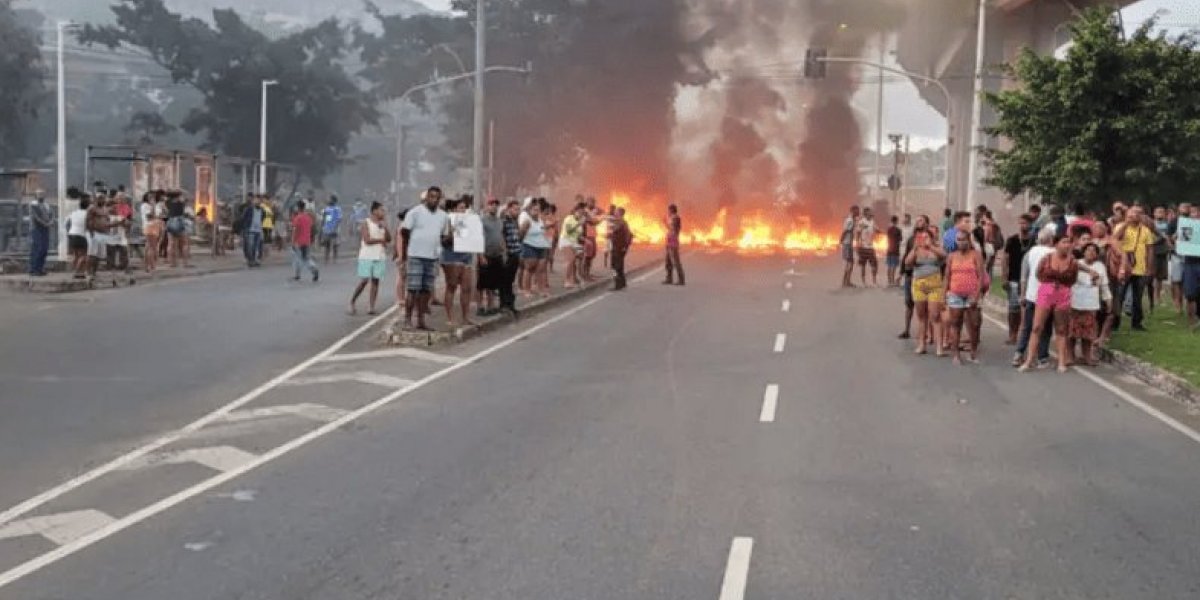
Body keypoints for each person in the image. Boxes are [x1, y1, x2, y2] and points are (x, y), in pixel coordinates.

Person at [1021, 234, 1093, 374]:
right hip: (1046, 292)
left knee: (1061, 329)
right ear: (1056, 244)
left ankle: (1061, 361)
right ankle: (1028, 360)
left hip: (1063, 293)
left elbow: (1073, 277)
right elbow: (1038, 274)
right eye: (1064, 242)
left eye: (1069, 242)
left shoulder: (1072, 262)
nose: (1067, 245)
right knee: (1036, 327)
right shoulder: (1046, 258)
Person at [401, 187, 448, 330]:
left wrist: (448, 239)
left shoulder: (443, 216)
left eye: (437, 198)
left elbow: (443, 236)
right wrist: (406, 253)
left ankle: (421, 320)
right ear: (426, 198)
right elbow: (405, 231)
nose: (434, 200)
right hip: (416, 255)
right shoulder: (415, 212)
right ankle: (408, 319)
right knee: (412, 289)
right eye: (431, 197)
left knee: (425, 291)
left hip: (432, 257)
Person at [1014, 227, 1057, 368]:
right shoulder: (1054, 253)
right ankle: (1042, 357)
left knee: (1027, 326)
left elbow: (1023, 276)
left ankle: (1019, 353)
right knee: (1046, 327)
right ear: (1051, 239)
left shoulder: (1030, 253)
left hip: (1032, 294)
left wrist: (1022, 294)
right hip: (1048, 295)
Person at [944, 229, 987, 365]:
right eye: (958, 240)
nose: (961, 242)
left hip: (972, 294)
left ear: (969, 241)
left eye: (963, 239)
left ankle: (973, 351)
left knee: (974, 324)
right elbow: (947, 276)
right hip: (955, 293)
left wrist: (977, 295)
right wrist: (943, 294)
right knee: (955, 323)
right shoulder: (951, 256)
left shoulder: (976, 255)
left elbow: (981, 276)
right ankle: (956, 354)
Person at [904, 224, 946, 356]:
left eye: (926, 236)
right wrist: (915, 248)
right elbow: (907, 262)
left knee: (935, 315)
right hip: (919, 285)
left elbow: (943, 256)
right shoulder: (916, 249)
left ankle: (939, 347)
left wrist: (931, 247)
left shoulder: (936, 248)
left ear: (932, 238)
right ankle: (922, 344)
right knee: (922, 316)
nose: (924, 239)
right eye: (921, 236)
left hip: (934, 285)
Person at [1112, 206, 1155, 332]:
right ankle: (1115, 322)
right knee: (1120, 295)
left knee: (1138, 297)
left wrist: (1149, 267)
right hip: (1124, 267)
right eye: (1132, 214)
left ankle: (1137, 322)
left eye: (1137, 214)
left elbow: (1150, 249)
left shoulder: (1145, 230)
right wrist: (1126, 223)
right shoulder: (1121, 226)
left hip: (1140, 267)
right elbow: (1115, 238)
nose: (1135, 217)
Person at [1070, 242, 1110, 367]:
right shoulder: (1077, 263)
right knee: (1073, 331)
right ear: (1084, 252)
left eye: (1094, 251)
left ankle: (1087, 356)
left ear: (1097, 254)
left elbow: (1104, 286)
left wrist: (1108, 300)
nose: (1091, 252)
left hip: (1091, 303)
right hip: (1075, 302)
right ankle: (1070, 356)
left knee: (1088, 333)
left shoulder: (1100, 266)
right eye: (1088, 250)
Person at [440, 197, 477, 327]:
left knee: (467, 287)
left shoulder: (468, 221)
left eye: (464, 208)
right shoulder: (448, 220)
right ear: (455, 209)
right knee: (452, 286)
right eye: (460, 208)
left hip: (465, 256)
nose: (463, 210)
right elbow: (443, 241)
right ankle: (449, 318)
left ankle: (465, 317)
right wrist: (453, 234)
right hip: (451, 256)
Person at [350, 201, 391, 316]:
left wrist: (385, 228)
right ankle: (352, 301)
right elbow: (367, 240)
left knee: (375, 281)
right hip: (367, 255)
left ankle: (371, 306)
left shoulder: (383, 224)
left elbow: (389, 239)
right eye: (381, 210)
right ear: (374, 211)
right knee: (364, 280)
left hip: (379, 255)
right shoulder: (366, 223)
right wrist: (380, 240)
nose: (383, 212)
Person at [1001, 214, 1035, 344]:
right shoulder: (1012, 240)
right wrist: (1004, 277)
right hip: (1014, 278)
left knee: (1027, 309)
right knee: (1013, 308)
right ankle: (1012, 334)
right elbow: (1005, 258)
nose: (1023, 226)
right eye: (1021, 223)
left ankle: (1024, 333)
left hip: (1030, 280)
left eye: (1025, 223)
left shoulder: (1035, 241)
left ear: (1031, 224)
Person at [897, 215, 928, 340]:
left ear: (926, 224)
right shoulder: (911, 239)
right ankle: (906, 330)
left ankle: (925, 333)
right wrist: (901, 272)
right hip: (910, 274)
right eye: (917, 220)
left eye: (921, 220)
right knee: (909, 303)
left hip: (922, 274)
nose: (917, 222)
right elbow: (906, 256)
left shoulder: (929, 239)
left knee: (923, 305)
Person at [476, 198, 506, 316]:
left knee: (493, 283)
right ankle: (480, 306)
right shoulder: (482, 221)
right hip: (485, 254)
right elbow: (478, 238)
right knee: (482, 283)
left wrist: (504, 252)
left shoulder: (499, 221)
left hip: (497, 254)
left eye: (496, 205)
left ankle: (491, 305)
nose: (494, 207)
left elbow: (501, 237)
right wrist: (480, 255)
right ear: (487, 206)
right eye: (491, 204)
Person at [519, 200, 552, 298]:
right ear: (530, 210)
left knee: (541, 269)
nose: (536, 211)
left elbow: (542, 229)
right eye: (534, 209)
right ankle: (526, 290)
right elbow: (520, 234)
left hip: (541, 247)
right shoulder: (527, 220)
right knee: (529, 268)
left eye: (537, 210)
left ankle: (541, 290)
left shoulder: (540, 220)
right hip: (529, 246)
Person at [499, 199, 523, 318]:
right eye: (515, 209)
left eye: (518, 209)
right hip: (508, 254)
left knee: (511, 281)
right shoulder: (504, 221)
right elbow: (501, 237)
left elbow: (518, 236)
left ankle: (510, 305)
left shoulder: (515, 221)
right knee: (505, 281)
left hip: (516, 253)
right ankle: (504, 305)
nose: (517, 211)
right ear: (509, 209)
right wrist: (505, 252)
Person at [290, 200, 320, 283]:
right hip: (307, 241)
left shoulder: (298, 218)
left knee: (299, 258)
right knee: (304, 257)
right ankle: (302, 272)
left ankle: (310, 270)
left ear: (298, 207)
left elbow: (295, 230)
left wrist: (292, 241)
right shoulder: (308, 218)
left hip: (299, 242)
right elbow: (311, 228)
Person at [560, 202, 586, 288]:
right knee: (570, 260)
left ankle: (577, 277)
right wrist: (579, 224)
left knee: (581, 256)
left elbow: (577, 235)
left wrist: (586, 240)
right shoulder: (569, 218)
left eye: (582, 213)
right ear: (576, 211)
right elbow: (569, 231)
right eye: (580, 212)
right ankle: (567, 281)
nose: (581, 214)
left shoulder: (580, 221)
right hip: (566, 240)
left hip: (574, 242)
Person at [66, 193, 90, 279]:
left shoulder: (74, 213)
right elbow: (89, 225)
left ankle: (79, 272)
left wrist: (68, 232)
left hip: (72, 235)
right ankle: (77, 272)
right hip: (81, 235)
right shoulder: (87, 214)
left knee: (75, 255)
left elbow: (67, 223)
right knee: (83, 255)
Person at [164, 190, 190, 268]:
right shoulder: (181, 203)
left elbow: (166, 197)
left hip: (171, 221)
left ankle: (172, 263)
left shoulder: (168, 203)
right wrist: (181, 191)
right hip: (179, 221)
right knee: (184, 243)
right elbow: (187, 196)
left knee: (171, 244)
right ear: (178, 196)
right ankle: (185, 263)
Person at [28, 193, 52, 276]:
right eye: (39, 194)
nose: (41, 196)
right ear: (36, 196)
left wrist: (50, 222)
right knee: (37, 248)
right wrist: (44, 223)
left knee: (44, 249)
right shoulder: (33, 205)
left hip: (46, 229)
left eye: (42, 194)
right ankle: (34, 269)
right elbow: (36, 217)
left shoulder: (46, 205)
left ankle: (40, 268)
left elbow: (51, 215)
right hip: (36, 229)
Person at [240, 195, 265, 268]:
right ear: (254, 201)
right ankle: (250, 260)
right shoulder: (249, 209)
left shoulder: (262, 210)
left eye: (259, 200)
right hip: (250, 229)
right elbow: (243, 218)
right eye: (256, 200)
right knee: (250, 246)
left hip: (258, 230)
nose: (258, 202)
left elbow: (262, 218)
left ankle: (254, 259)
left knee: (255, 246)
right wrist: (244, 228)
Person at [611, 207, 632, 290]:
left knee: (615, 266)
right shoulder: (621, 222)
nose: (614, 213)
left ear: (620, 213)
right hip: (617, 247)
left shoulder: (621, 222)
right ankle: (622, 283)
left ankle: (617, 284)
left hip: (619, 247)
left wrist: (625, 246)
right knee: (619, 266)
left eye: (616, 212)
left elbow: (628, 235)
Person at [857, 207, 879, 287]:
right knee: (863, 265)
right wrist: (857, 244)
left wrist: (881, 232)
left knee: (875, 265)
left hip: (870, 247)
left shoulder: (872, 222)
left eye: (871, 212)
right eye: (869, 212)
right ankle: (863, 282)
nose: (871, 213)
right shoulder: (861, 222)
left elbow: (877, 229)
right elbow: (858, 233)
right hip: (863, 247)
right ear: (865, 213)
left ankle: (874, 282)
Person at [663, 203, 685, 286]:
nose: (667, 211)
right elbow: (670, 228)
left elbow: (674, 229)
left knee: (676, 261)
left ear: (671, 210)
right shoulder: (672, 218)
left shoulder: (676, 218)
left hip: (673, 242)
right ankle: (669, 278)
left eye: (668, 210)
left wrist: (666, 223)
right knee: (668, 262)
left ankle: (681, 279)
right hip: (669, 242)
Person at [840, 206, 860, 287]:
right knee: (850, 263)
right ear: (852, 211)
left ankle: (846, 281)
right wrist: (841, 240)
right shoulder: (850, 220)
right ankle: (846, 282)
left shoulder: (852, 220)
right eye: (857, 211)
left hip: (848, 243)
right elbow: (845, 231)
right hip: (847, 244)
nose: (858, 212)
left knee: (849, 263)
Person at [321, 196, 343, 263]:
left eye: (330, 199)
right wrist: (323, 226)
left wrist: (335, 227)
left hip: (335, 229)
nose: (329, 200)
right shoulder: (327, 209)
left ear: (334, 200)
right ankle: (326, 258)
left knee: (335, 244)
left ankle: (335, 258)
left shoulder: (337, 209)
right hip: (327, 229)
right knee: (327, 244)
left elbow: (339, 219)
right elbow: (325, 218)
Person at [885, 215, 902, 287]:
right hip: (895, 250)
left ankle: (889, 281)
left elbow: (888, 237)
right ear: (896, 221)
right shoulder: (898, 230)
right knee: (893, 266)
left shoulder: (889, 229)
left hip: (889, 249)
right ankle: (892, 282)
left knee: (889, 266)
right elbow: (900, 239)